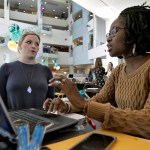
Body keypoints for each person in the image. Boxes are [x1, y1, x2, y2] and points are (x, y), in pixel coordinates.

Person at [43, 4, 150, 139]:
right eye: (108, 34)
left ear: (134, 31)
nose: (108, 38)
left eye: (114, 31)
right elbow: (97, 101)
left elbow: (147, 122)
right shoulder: (118, 71)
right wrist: (68, 107)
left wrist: (81, 102)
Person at [0, 31, 54, 110]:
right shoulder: (6, 68)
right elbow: (1, 101)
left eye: (37, 44)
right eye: (29, 42)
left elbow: (50, 100)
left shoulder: (46, 71)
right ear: (20, 45)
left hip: (42, 120)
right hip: (15, 121)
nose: (33, 46)